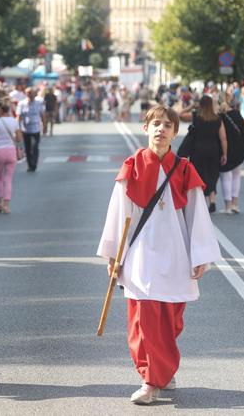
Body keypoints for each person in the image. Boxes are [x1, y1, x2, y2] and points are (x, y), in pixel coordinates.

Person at [97, 105, 221, 405]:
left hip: (176, 254)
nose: (160, 129)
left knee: (170, 321)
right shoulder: (133, 165)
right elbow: (119, 212)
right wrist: (114, 254)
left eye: (167, 125)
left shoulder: (184, 169)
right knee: (144, 320)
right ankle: (150, 380)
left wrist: (200, 254)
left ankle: (162, 370)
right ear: (146, 128)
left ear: (175, 132)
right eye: (155, 123)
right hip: (141, 256)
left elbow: (197, 214)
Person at [177, 95, 227, 212]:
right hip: (213, 150)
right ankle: (212, 201)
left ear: (200, 105)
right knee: (212, 174)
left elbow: (179, 115)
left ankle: (202, 203)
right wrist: (224, 154)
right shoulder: (217, 119)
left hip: (197, 150)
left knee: (199, 175)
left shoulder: (195, 116)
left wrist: (190, 106)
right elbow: (223, 138)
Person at [0, 100, 23, 214]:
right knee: (8, 179)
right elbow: (18, 138)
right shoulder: (14, 121)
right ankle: (7, 206)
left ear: (1, 110)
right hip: (11, 151)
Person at [218, 104, 244, 214]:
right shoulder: (237, 114)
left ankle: (228, 206)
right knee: (236, 176)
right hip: (239, 149)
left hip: (226, 149)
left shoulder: (220, 117)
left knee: (226, 177)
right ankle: (235, 204)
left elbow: (221, 137)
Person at [16, 87, 45, 172]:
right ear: (26, 94)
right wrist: (17, 129)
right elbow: (18, 116)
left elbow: (42, 114)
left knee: (35, 146)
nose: (31, 95)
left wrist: (45, 125)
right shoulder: (21, 103)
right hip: (26, 129)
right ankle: (30, 165)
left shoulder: (39, 103)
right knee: (28, 148)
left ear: (35, 94)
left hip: (36, 128)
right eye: (29, 93)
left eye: (32, 93)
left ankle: (34, 164)